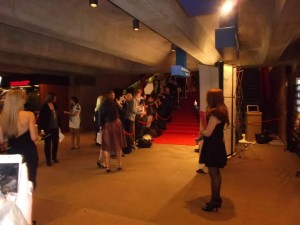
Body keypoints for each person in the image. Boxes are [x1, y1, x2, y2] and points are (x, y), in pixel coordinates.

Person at [0, 89, 39, 189]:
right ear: (20, 99)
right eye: (24, 96)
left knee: (14, 184)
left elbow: (2, 140)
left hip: (12, 152)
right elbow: (33, 137)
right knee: (29, 182)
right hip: (28, 151)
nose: (25, 98)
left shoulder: (2, 117)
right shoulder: (29, 115)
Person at [199, 88, 229, 212]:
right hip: (217, 145)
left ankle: (214, 201)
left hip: (212, 146)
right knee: (216, 173)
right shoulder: (222, 110)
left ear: (212, 99)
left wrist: (201, 132)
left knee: (213, 174)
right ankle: (217, 198)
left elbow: (208, 133)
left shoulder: (215, 114)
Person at [101, 90, 127, 172]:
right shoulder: (115, 104)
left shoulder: (102, 106)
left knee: (107, 146)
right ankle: (119, 164)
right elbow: (123, 113)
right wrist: (119, 104)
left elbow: (101, 118)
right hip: (116, 124)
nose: (114, 96)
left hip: (107, 125)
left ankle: (108, 167)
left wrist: (102, 127)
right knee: (118, 145)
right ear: (110, 96)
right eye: (113, 95)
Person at [38, 92, 60, 166]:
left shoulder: (55, 105)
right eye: (55, 97)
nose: (56, 98)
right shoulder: (44, 106)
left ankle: (54, 157)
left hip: (55, 127)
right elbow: (41, 119)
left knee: (55, 143)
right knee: (47, 144)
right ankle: (48, 160)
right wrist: (41, 129)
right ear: (51, 97)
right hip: (47, 128)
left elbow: (58, 116)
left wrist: (59, 126)